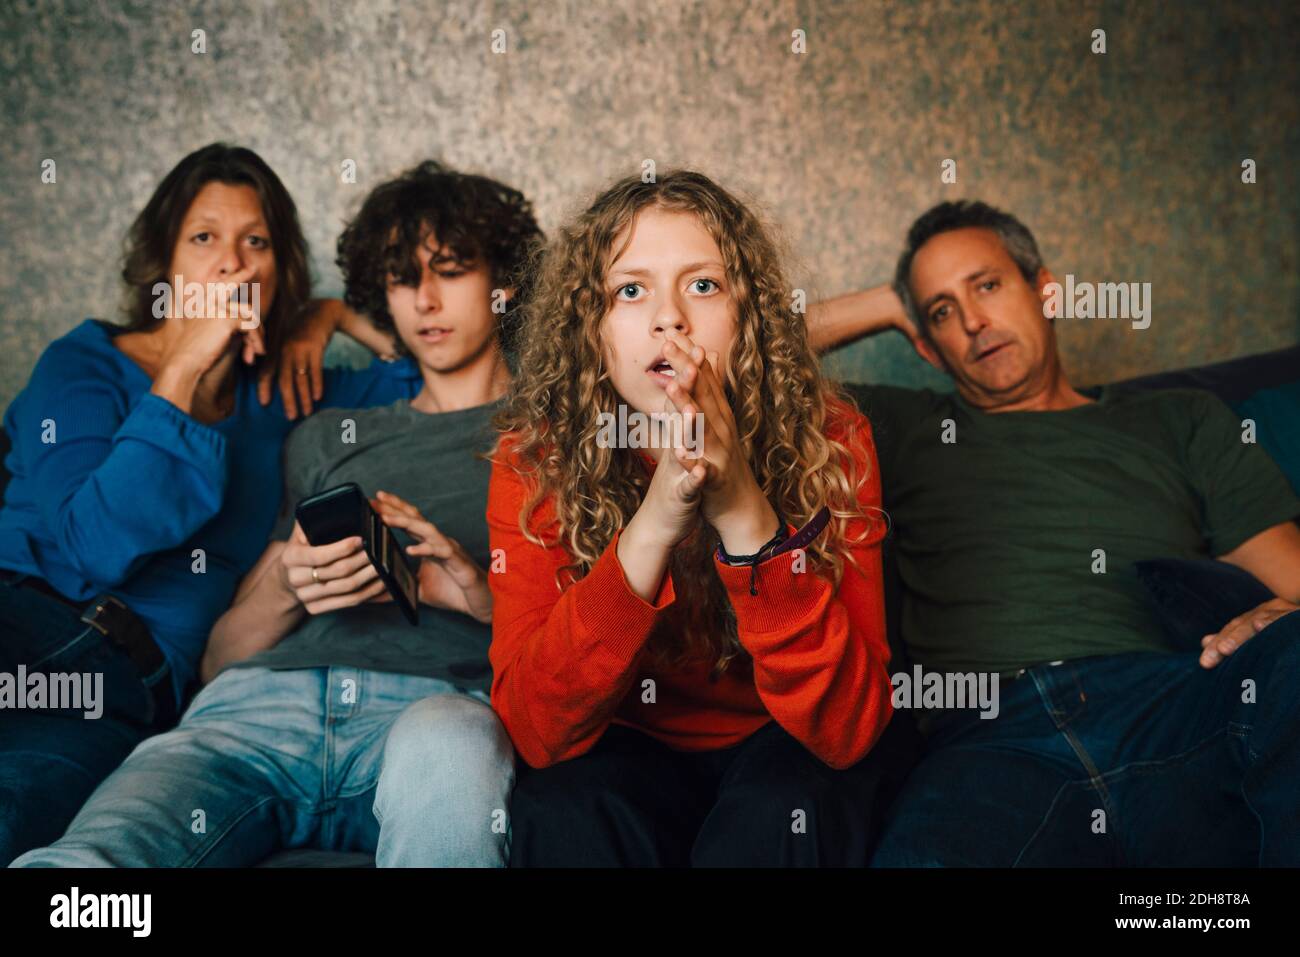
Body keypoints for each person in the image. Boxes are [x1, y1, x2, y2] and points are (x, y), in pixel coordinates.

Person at [12, 160, 540, 868]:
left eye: (449, 270)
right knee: (89, 863)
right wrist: (286, 583)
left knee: (451, 749)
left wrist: (484, 598)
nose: (425, 300)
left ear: (501, 283)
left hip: (424, 709)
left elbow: (589, 647)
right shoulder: (322, 431)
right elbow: (208, 647)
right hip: (238, 703)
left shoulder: (544, 443)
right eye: (402, 277)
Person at [823, 200, 1300, 865]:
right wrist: (886, 301)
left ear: (1045, 290)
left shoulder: (1180, 419)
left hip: (1169, 701)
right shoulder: (899, 425)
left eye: (986, 284)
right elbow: (727, 361)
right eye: (940, 311)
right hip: (989, 737)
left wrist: (1281, 617)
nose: (972, 321)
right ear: (927, 347)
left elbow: (1295, 583)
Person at [487, 169, 920, 867]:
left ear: (749, 317)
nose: (670, 319)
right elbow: (536, 732)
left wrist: (743, 507)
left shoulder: (833, 438)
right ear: (591, 331)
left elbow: (849, 727)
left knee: (790, 811)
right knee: (561, 810)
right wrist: (654, 523)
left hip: (781, 740)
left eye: (703, 285)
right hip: (628, 748)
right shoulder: (533, 461)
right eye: (630, 290)